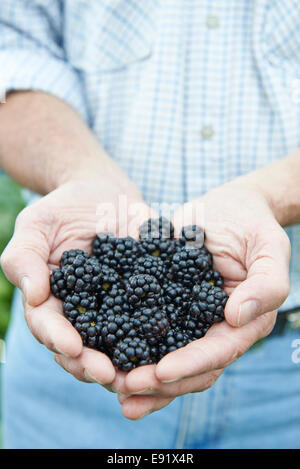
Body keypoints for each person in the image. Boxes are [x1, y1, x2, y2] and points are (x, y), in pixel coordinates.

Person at [0, 0, 300, 449]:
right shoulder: (133, 289)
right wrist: (81, 172)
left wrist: (269, 195)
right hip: (61, 381)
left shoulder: (164, 289)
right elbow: (12, 47)